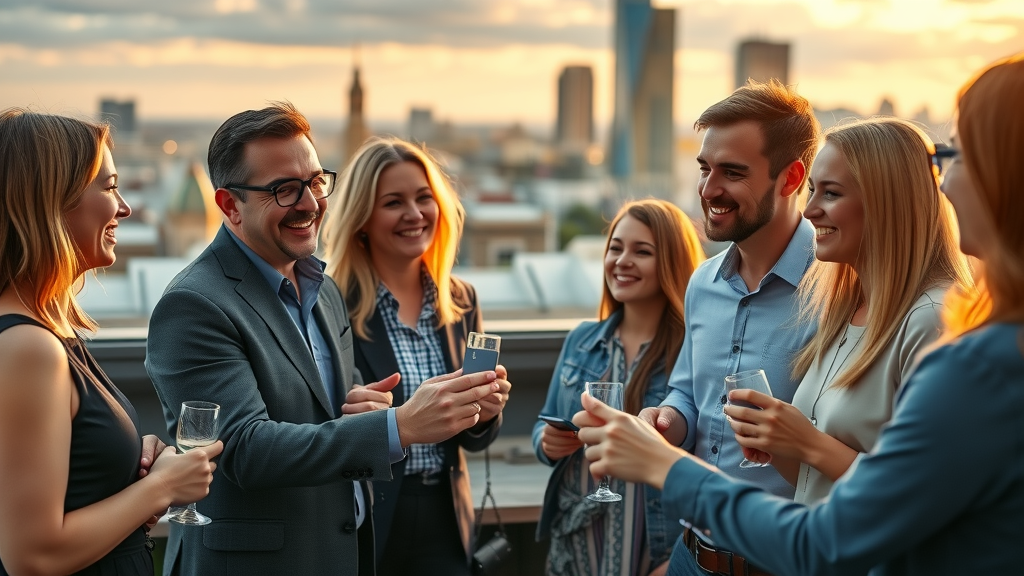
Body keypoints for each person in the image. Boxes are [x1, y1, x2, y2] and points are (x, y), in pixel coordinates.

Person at [575, 53, 1024, 575]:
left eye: (956, 156)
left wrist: (666, 467)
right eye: (704, 169)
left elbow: (832, 535)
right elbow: (703, 402)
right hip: (697, 552)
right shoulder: (843, 300)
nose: (942, 183)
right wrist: (686, 426)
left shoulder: (955, 341)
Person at [145, 103, 501, 576]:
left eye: (315, 182)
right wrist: (397, 426)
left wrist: (362, 406)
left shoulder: (323, 289)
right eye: (284, 190)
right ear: (230, 206)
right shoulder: (194, 304)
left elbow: (326, 413)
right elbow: (246, 450)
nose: (311, 204)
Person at [0, 109, 221, 576]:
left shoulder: (47, 334)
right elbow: (33, 556)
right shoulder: (29, 348)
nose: (125, 207)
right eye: (109, 186)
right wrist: (162, 487)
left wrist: (123, 464)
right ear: (52, 200)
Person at [726, 118, 973, 503]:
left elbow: (928, 496)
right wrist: (776, 443)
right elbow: (814, 483)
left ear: (887, 203)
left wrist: (807, 442)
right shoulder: (845, 311)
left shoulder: (934, 319)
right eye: (812, 191)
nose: (809, 210)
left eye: (831, 193)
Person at [637, 80, 820, 576]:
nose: (708, 189)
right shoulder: (703, 283)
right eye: (704, 168)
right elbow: (686, 394)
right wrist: (666, 421)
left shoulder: (840, 290)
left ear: (791, 177)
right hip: (691, 555)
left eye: (732, 172)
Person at [321, 136, 511, 576]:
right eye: (394, 202)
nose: (414, 213)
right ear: (362, 218)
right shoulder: (329, 302)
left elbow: (473, 440)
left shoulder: (461, 300)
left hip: (446, 515)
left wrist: (486, 412)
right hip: (366, 514)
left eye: (424, 198)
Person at [532, 199, 706, 576]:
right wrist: (546, 443)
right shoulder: (580, 341)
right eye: (615, 248)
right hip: (575, 548)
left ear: (673, 262)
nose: (622, 261)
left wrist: (678, 559)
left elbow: (709, 461)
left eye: (642, 251)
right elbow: (543, 423)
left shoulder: (693, 352)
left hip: (655, 553)